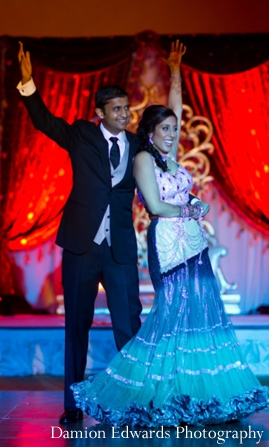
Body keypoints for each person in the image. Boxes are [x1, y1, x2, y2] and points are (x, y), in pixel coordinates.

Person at [70, 41, 269, 427]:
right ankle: (149, 393)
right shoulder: (144, 158)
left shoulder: (171, 156)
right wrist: (192, 208)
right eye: (165, 128)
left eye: (175, 129)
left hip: (193, 243)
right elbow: (157, 207)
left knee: (199, 316)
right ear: (150, 130)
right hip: (167, 242)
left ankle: (199, 396)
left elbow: (174, 110)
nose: (172, 133)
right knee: (172, 317)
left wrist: (176, 72)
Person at [17, 42, 144, 424]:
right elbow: (44, 121)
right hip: (81, 245)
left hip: (119, 248)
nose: (124, 114)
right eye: (117, 109)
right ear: (100, 113)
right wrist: (28, 85)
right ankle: (73, 406)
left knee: (129, 327)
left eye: (126, 108)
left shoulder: (139, 145)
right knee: (77, 325)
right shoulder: (82, 135)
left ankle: (132, 402)